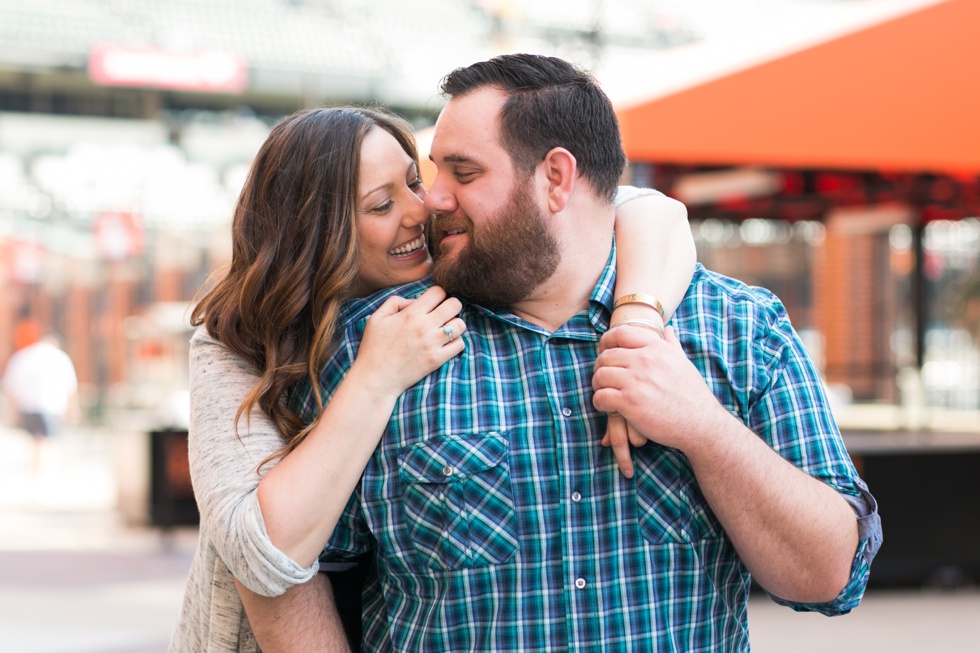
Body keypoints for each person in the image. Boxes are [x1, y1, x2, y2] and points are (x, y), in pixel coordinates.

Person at [285, 54, 882, 652]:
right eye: (434, 172)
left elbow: (830, 578)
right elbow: (292, 573)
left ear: (555, 178)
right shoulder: (376, 346)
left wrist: (703, 427)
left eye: (463, 173)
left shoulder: (739, 329)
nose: (433, 200)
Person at [169, 103, 697, 652]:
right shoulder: (237, 343)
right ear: (313, 234)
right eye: (381, 203)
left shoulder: (448, 281)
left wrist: (634, 330)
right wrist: (377, 376)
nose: (422, 211)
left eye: (414, 183)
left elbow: (648, 210)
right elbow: (261, 554)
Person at [1, 331, 78, 475]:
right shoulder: (60, 358)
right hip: (52, 406)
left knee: (37, 440)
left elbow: (10, 386)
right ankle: (42, 472)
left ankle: (37, 470)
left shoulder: (23, 357)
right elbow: (71, 387)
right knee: (46, 441)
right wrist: (72, 410)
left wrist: (13, 409)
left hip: (28, 405)